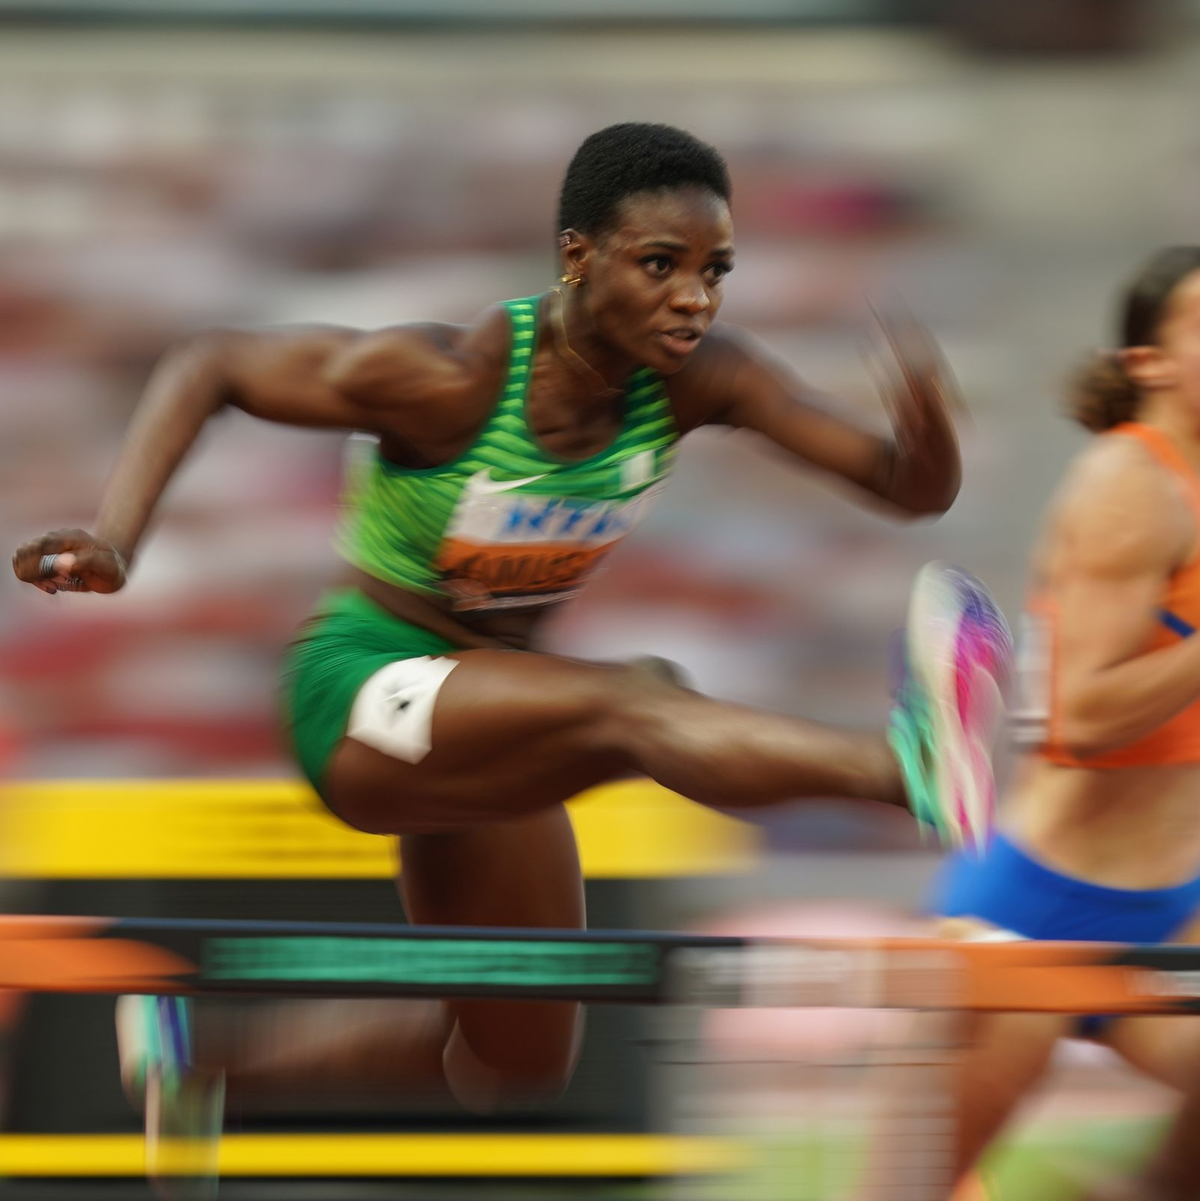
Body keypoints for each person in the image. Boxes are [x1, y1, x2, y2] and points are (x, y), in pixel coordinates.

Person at [12, 123, 1008, 1126]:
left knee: (512, 1055)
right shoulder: (454, 381)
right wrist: (119, 539)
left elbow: (902, 487)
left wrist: (928, 436)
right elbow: (210, 363)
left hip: (494, 713)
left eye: (716, 270)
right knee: (640, 698)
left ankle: (204, 1060)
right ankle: (906, 768)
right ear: (578, 256)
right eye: (661, 265)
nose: (695, 298)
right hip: (359, 691)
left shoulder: (706, 377)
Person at [856, 246, 1200, 1201]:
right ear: (1149, 363)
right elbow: (1084, 718)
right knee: (906, 1189)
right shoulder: (1131, 486)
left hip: (1172, 904)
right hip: (1039, 912)